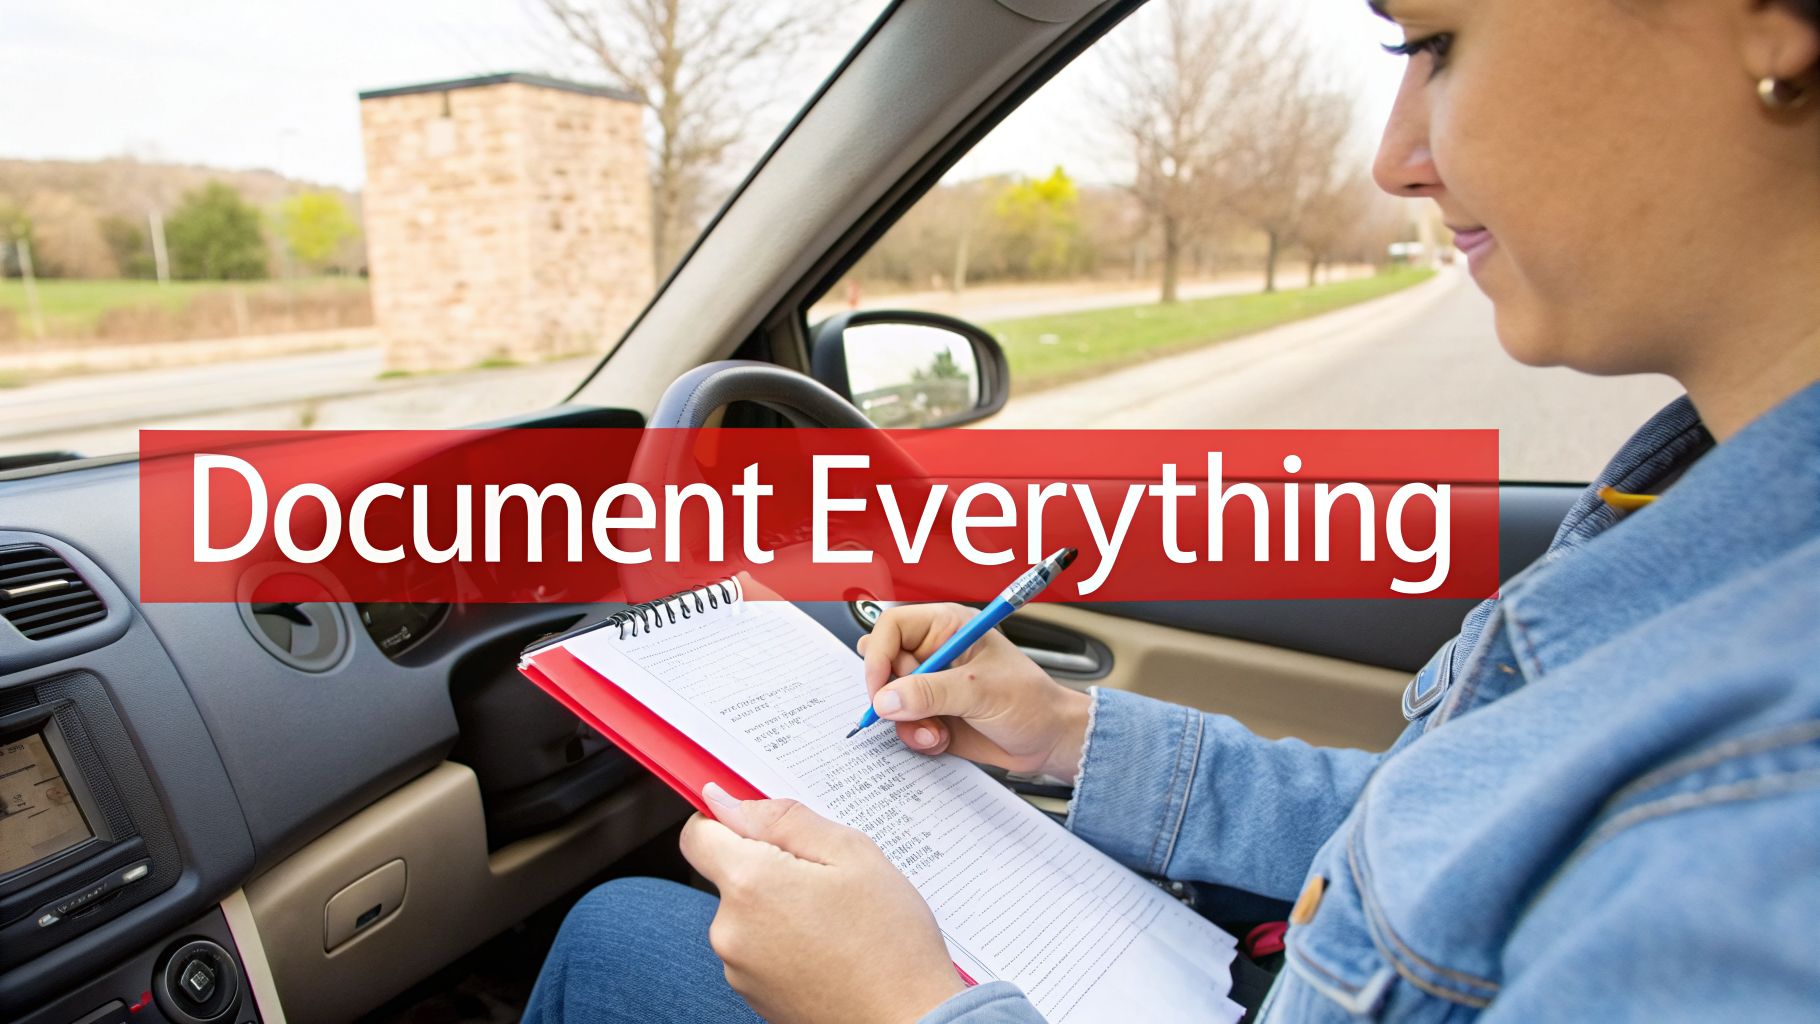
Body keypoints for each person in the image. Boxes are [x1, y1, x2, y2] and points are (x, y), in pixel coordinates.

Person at [524, 0, 1820, 1019]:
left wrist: (909, 1010)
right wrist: (1065, 735)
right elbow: (1436, 837)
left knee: (620, 936)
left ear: (1771, 18)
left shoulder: (1768, 804)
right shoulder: (1702, 508)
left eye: (1437, 41)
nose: (1395, 156)